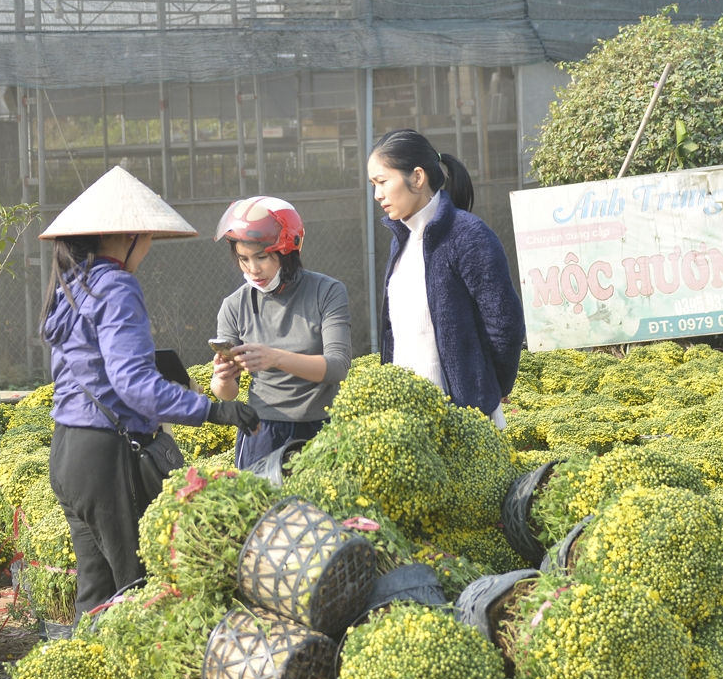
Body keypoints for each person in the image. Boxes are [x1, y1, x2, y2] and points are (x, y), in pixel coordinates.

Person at [40, 166, 259, 623]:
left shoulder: (71, 284)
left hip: (67, 452)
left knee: (96, 592)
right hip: (108, 456)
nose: (150, 247)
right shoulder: (117, 286)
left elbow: (91, 369)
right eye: (148, 237)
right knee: (138, 589)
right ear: (128, 236)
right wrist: (215, 411)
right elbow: (133, 385)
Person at [368, 129, 524, 428]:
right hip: (406, 417)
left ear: (416, 177)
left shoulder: (469, 234)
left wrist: (490, 389)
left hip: (464, 419)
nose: (377, 194)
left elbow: (505, 323)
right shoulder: (401, 238)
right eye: (373, 185)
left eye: (383, 181)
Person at [210, 196, 351, 468]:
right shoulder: (233, 305)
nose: (253, 269)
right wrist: (223, 378)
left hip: (321, 428)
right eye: (243, 259)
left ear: (288, 250)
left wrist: (275, 358)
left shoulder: (328, 292)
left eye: (262, 256)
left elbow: (338, 367)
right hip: (260, 431)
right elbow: (225, 393)